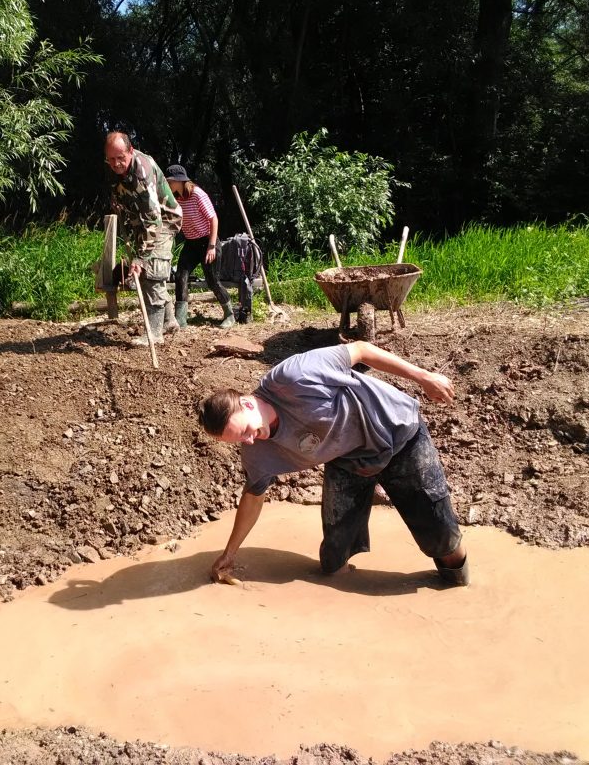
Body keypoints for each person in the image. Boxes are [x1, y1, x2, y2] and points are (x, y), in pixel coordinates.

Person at [197, 341, 469, 586]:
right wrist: (230, 553)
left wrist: (424, 377)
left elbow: (361, 350)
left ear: (246, 404)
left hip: (397, 431)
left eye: (246, 430)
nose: (249, 441)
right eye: (239, 441)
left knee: (443, 540)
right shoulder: (257, 451)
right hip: (349, 459)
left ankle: (459, 585)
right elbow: (253, 497)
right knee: (333, 561)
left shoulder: (293, 377)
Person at [104, 132, 182, 345]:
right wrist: (118, 203)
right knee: (146, 268)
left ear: (130, 151)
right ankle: (169, 321)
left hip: (163, 220)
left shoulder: (142, 171)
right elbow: (119, 192)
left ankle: (155, 334)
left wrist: (140, 259)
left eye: (120, 157)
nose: (116, 163)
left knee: (152, 268)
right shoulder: (113, 168)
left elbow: (153, 219)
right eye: (111, 159)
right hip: (141, 222)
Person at [164, 164, 234, 329]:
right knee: (181, 275)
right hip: (191, 243)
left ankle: (230, 315)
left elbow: (213, 219)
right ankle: (180, 319)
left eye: (169, 181)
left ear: (179, 181)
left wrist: (211, 246)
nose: (168, 184)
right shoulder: (176, 198)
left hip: (208, 241)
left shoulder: (197, 194)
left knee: (212, 280)